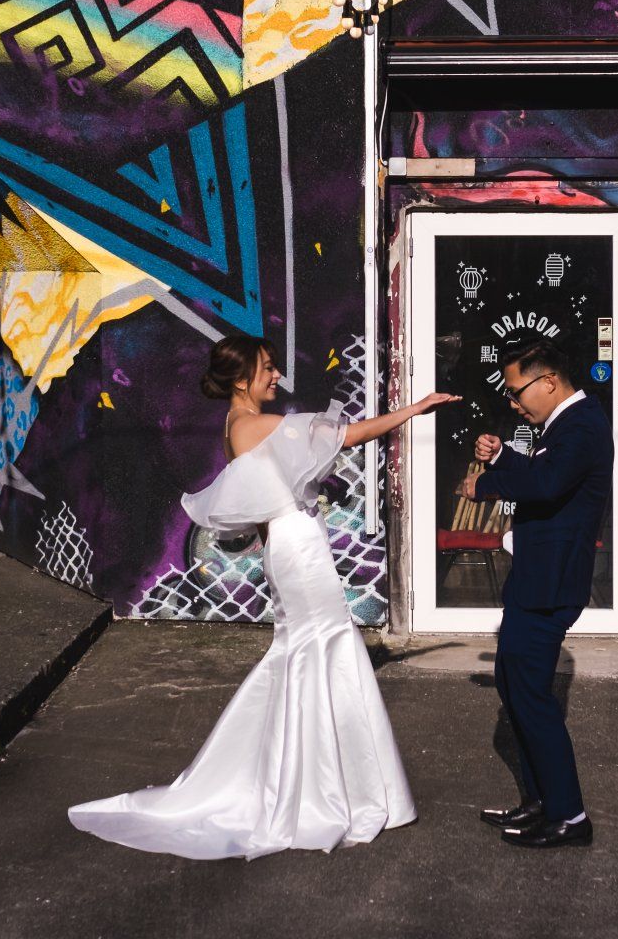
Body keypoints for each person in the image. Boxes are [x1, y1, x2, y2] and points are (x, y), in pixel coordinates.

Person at [68, 335, 459, 860]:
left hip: (291, 549)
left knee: (310, 654)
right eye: (267, 370)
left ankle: (317, 782)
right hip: (299, 551)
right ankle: (323, 793)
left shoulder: (236, 428)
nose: (276, 377)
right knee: (322, 649)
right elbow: (348, 435)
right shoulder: (255, 425)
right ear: (240, 378)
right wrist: (415, 408)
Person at [458, 336, 614, 849]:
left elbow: (546, 485)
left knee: (531, 698)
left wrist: (486, 483)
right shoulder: (560, 425)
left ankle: (569, 817)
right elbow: (544, 477)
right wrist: (503, 454)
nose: (513, 401)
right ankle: (539, 802)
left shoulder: (583, 425)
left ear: (548, 380)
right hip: (536, 577)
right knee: (514, 687)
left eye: (516, 390)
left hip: (551, 583)